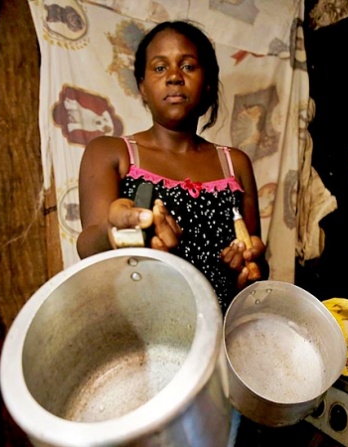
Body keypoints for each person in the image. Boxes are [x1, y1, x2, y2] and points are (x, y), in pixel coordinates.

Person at [76, 20, 268, 314]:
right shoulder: (111, 153)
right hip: (144, 332)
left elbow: (255, 259)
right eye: (160, 67)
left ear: (206, 83)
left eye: (188, 66)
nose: (175, 77)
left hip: (222, 332)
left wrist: (247, 266)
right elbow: (87, 247)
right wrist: (117, 230)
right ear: (141, 85)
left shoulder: (234, 163)